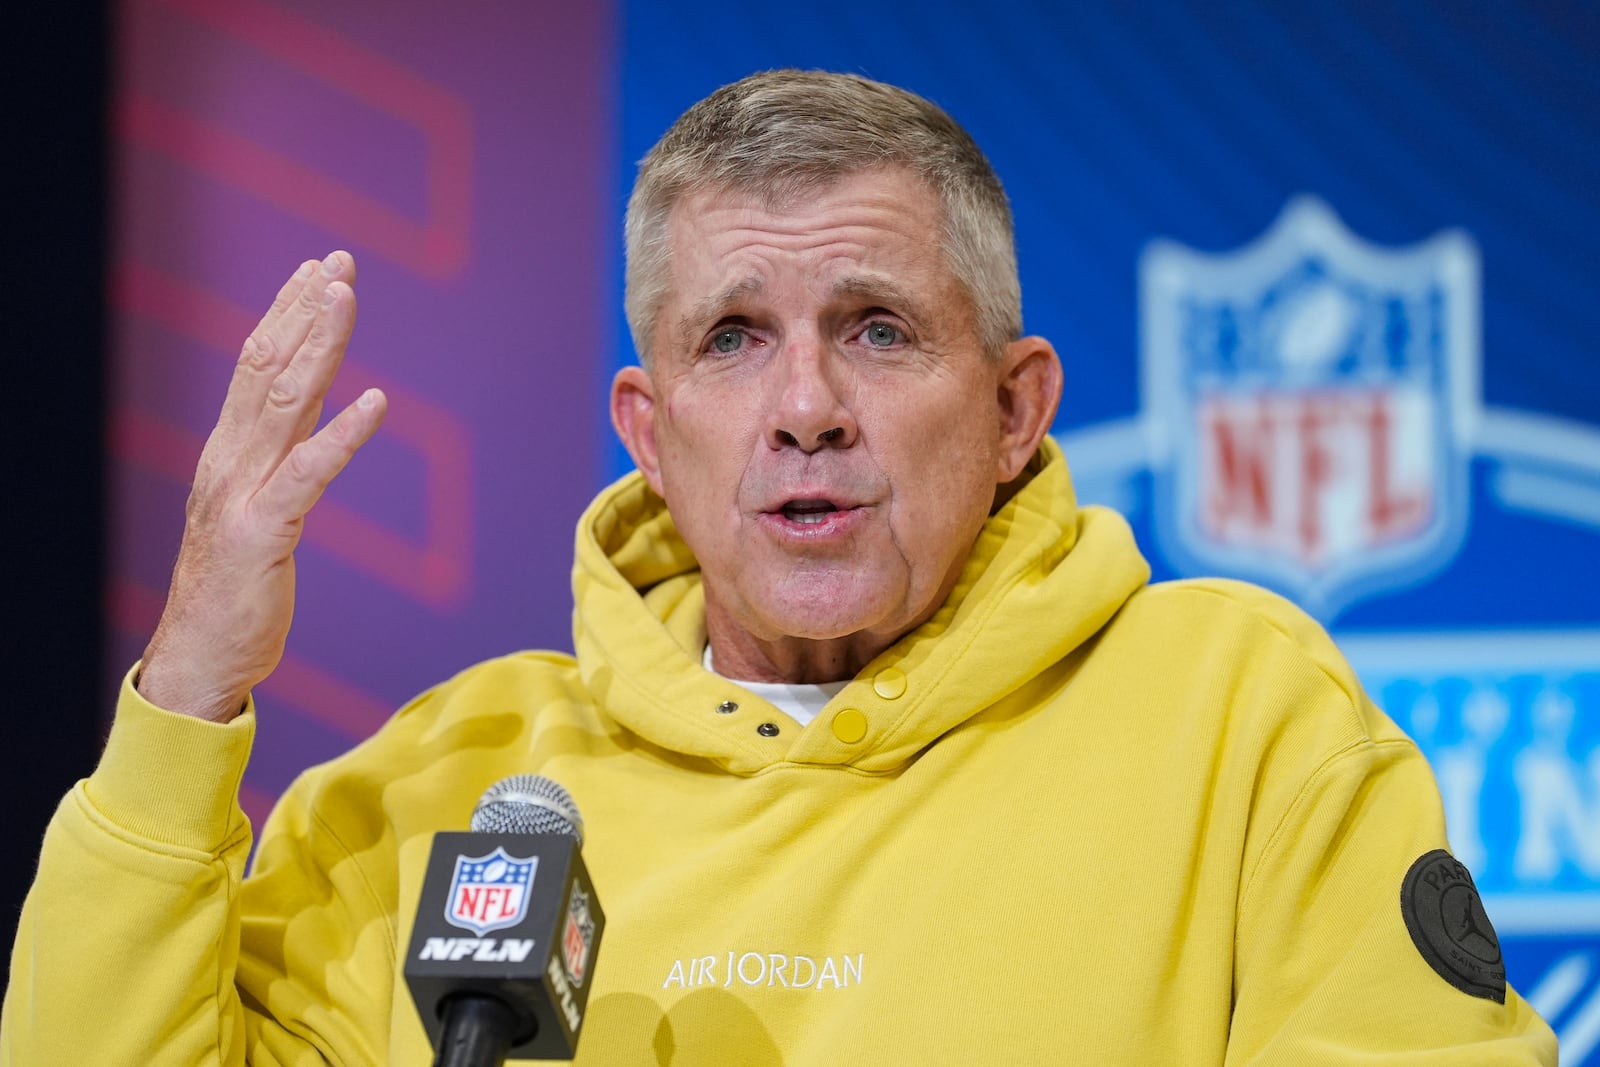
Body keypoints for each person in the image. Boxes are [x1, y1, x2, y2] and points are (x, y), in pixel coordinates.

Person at [2, 70, 1556, 1064]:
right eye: (734, 341)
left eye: (877, 329)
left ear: (1016, 409)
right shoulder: (447, 789)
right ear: (651, 430)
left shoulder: (1234, 716)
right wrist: (190, 683)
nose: (808, 409)